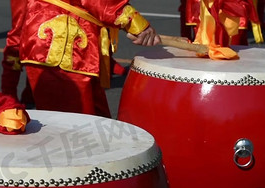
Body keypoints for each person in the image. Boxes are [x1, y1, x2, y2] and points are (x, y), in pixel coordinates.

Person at [19, 0, 160, 118]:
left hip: (65, 41)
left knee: (94, 120)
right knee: (74, 127)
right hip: (62, 45)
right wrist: (135, 23)